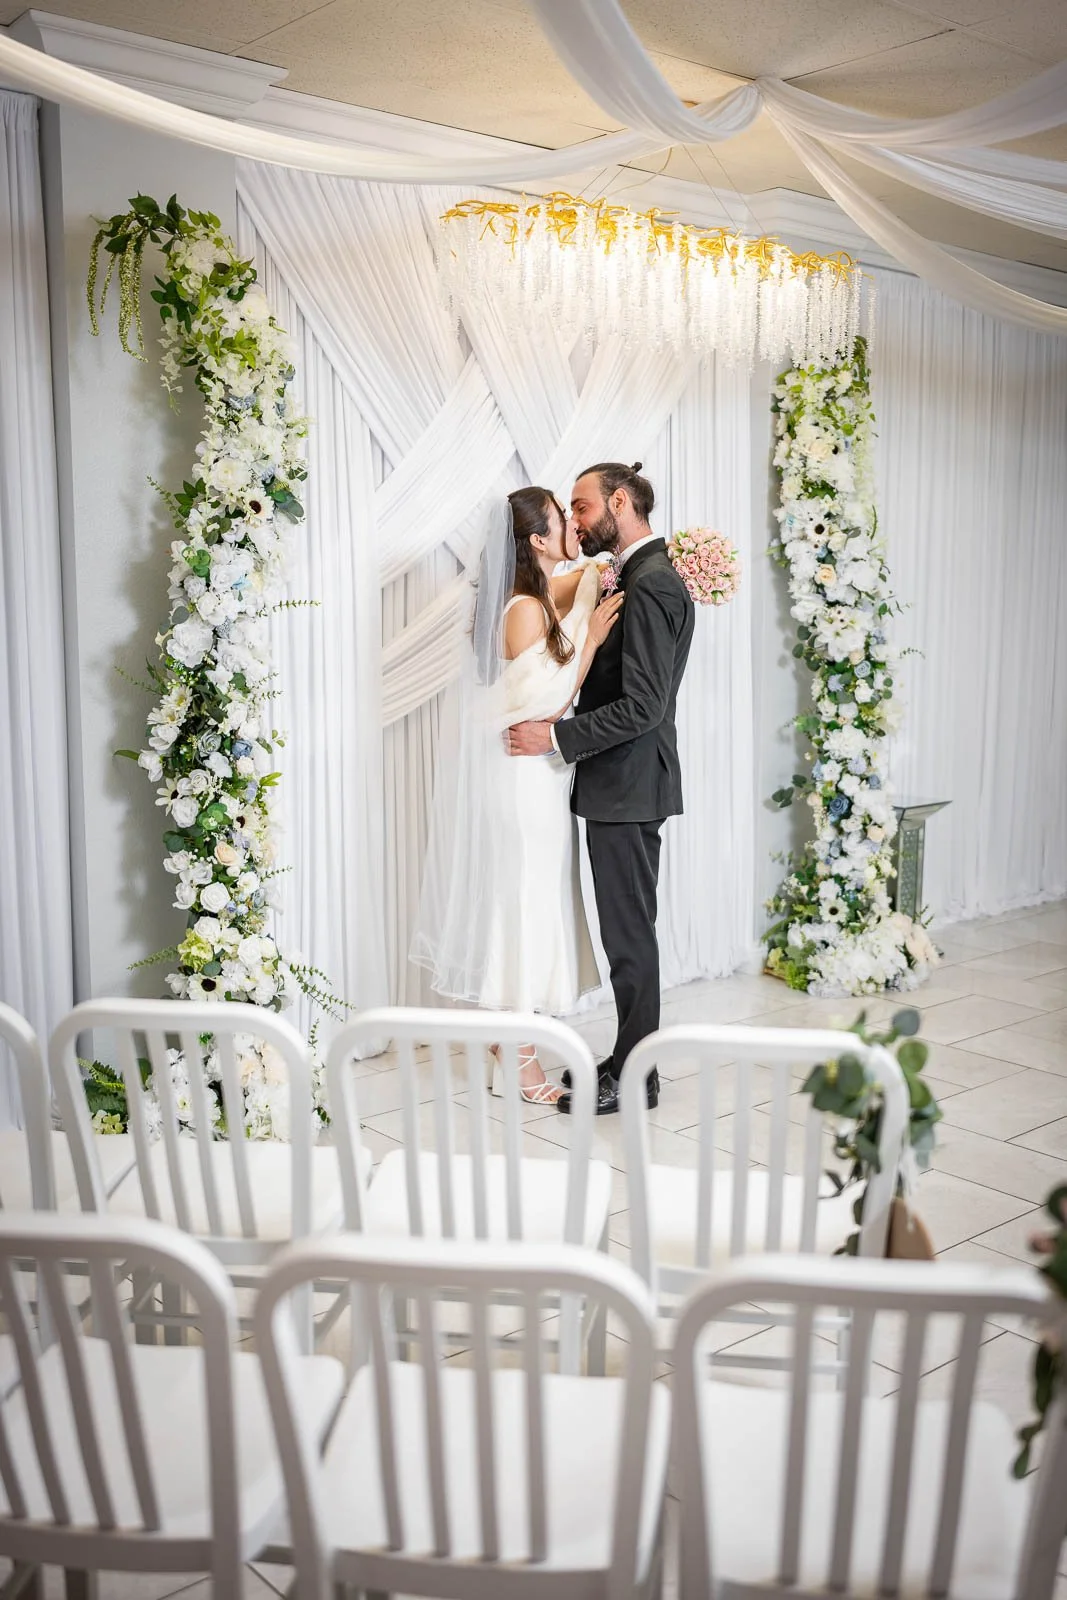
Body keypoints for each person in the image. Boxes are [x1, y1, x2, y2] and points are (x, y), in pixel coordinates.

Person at [412, 485, 624, 1103]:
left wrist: (604, 571)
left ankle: (511, 1048)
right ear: (535, 539)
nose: (574, 529)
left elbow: (584, 579)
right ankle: (521, 1066)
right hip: (523, 779)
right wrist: (589, 644)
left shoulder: (539, 592)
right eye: (564, 520)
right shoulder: (522, 607)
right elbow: (548, 702)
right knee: (521, 912)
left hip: (542, 779)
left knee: (528, 902)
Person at [507, 463, 695, 1115]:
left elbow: (643, 707)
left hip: (627, 783)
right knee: (625, 932)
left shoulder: (651, 584)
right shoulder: (638, 574)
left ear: (620, 501)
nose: (577, 520)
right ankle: (628, 1053)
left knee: (628, 936)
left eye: (582, 507)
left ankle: (637, 1076)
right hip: (621, 783)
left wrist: (555, 740)